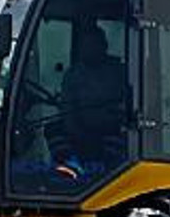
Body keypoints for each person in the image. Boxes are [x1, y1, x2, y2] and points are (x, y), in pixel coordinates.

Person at [48, 22, 129, 180]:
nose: (90, 49)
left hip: (111, 130)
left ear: (104, 46)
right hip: (80, 132)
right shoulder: (73, 75)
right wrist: (78, 132)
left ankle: (111, 175)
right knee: (52, 130)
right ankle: (69, 172)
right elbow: (67, 107)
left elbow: (129, 104)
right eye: (86, 45)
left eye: (94, 45)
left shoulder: (119, 72)